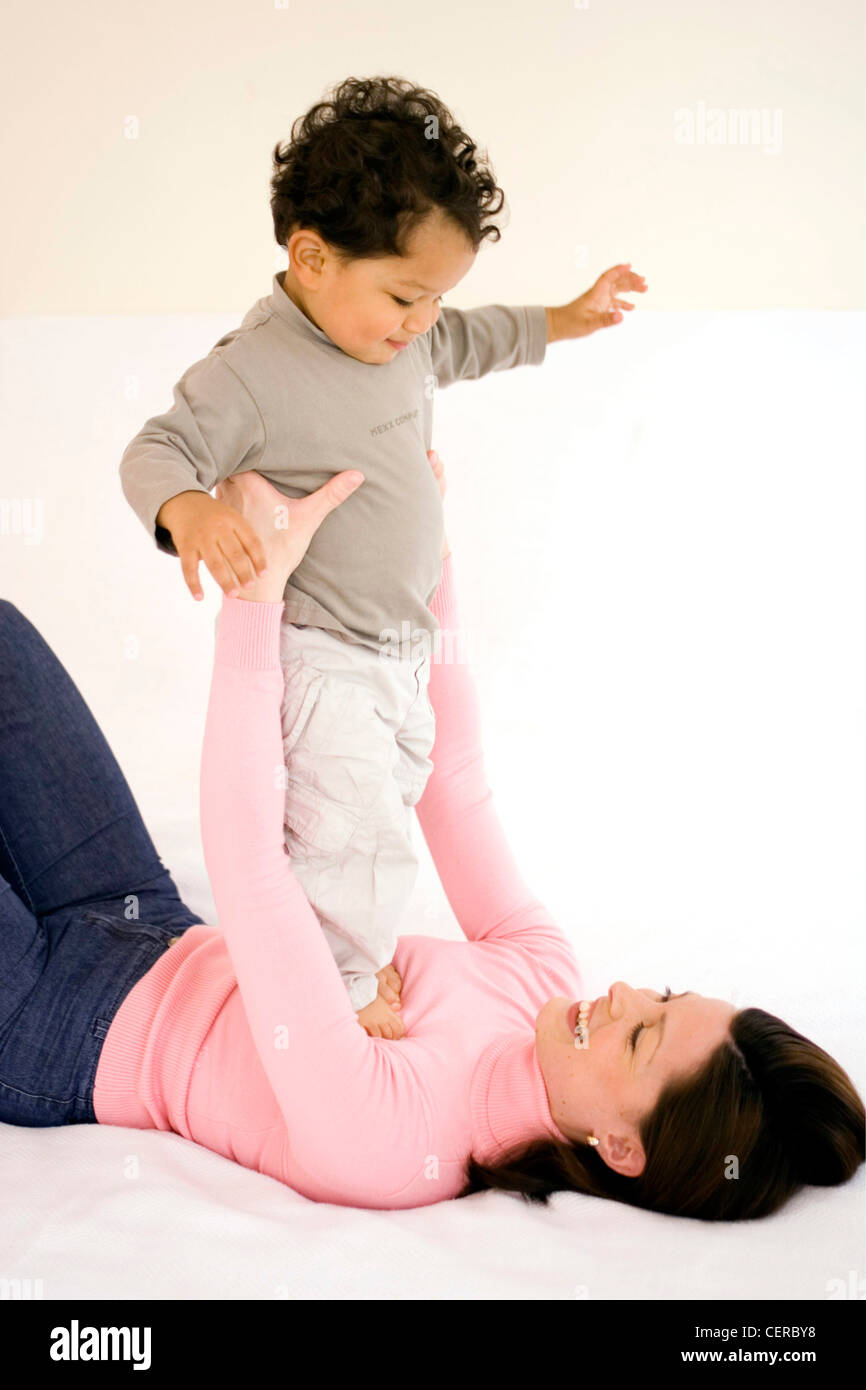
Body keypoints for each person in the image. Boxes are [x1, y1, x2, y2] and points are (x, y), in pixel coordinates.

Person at [0, 463, 862, 1218]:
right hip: (145, 915)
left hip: (54, 1025)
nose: (627, 993)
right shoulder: (541, 977)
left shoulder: (397, 1145)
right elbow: (453, 777)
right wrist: (429, 557)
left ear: (621, 1147)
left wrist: (258, 599)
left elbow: (253, 866)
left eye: (640, 1039)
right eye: (664, 998)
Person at [116, 72, 649, 1038]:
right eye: (406, 296)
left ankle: (323, 945)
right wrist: (190, 513)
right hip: (325, 655)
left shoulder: (401, 337)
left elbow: (478, 338)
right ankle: (339, 992)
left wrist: (568, 319)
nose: (420, 323)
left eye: (435, 300)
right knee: (353, 832)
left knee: (379, 810)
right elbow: (154, 451)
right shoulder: (255, 369)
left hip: (401, 651)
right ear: (311, 257)